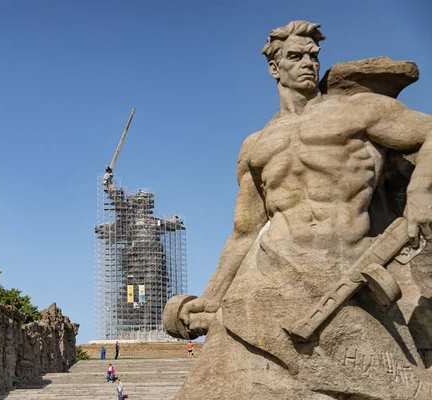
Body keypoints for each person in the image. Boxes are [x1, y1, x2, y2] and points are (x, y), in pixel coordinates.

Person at [170, 20, 432, 399]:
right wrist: (210, 299)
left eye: (313, 56)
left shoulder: (358, 111)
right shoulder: (256, 145)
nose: (308, 63)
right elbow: (244, 232)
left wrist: (421, 192)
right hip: (268, 277)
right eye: (295, 56)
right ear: (275, 68)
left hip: (348, 270)